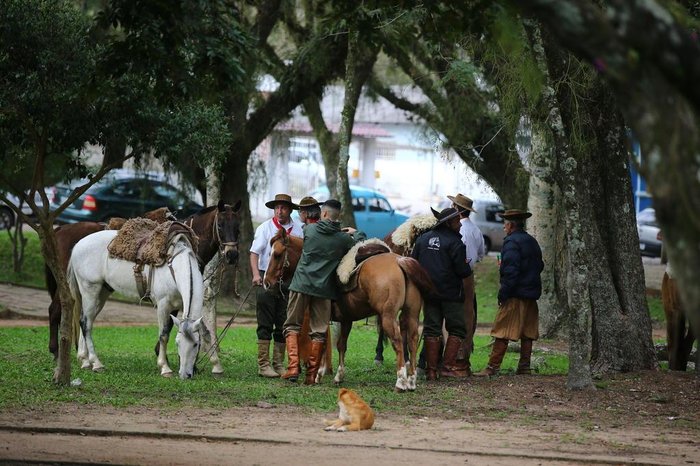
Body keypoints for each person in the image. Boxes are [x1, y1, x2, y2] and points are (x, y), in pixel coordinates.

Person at [282, 199, 366, 384]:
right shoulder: (343, 240)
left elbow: (312, 228)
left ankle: (293, 367)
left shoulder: (309, 231)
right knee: (319, 332)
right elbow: (361, 244)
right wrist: (355, 233)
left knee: (292, 326)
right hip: (324, 290)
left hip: (301, 285)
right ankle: (311, 375)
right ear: (338, 216)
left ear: (324, 214)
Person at [475, 209, 544, 377]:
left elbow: (511, 272)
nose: (504, 228)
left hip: (515, 294)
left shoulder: (512, 243)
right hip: (531, 294)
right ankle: (524, 367)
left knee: (502, 330)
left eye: (505, 225)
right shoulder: (532, 241)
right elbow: (540, 265)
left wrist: (503, 294)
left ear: (511, 225)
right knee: (528, 333)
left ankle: (492, 368)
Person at [412, 207, 473, 380]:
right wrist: (466, 264)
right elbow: (463, 272)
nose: (460, 225)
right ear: (448, 223)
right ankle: (446, 367)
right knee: (458, 328)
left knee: (431, 329)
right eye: (457, 221)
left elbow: (414, 264)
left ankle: (431, 371)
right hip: (451, 294)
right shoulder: (456, 243)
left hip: (429, 294)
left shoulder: (423, 239)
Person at [249, 193, 304, 378]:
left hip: (288, 280)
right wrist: (256, 274)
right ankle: (263, 365)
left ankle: (279, 363)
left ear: (290, 210)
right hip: (267, 276)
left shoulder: (298, 229)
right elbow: (254, 253)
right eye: (277, 208)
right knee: (265, 321)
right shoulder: (265, 228)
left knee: (283, 321)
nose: (280, 211)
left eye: (283, 208)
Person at [448, 193, 485, 354]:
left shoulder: (456, 229)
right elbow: (481, 255)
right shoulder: (476, 230)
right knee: (469, 314)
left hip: (456, 275)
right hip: (469, 274)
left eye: (453, 205)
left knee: (452, 314)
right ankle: (465, 350)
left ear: (456, 209)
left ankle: (453, 352)